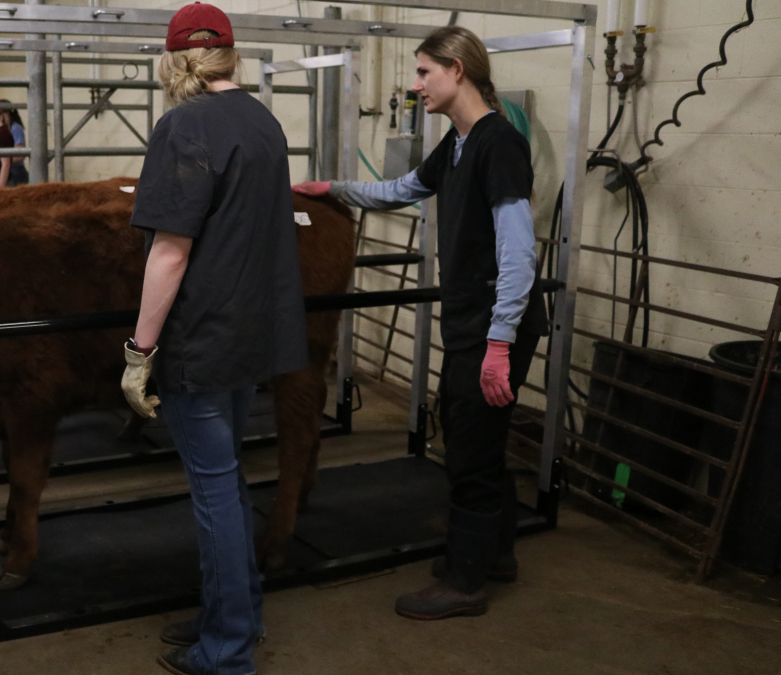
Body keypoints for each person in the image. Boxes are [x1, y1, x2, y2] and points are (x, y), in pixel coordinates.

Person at [295, 25, 548, 620]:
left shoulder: (497, 143)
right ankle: (497, 552)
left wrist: (498, 343)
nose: (416, 86)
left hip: (494, 323)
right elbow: (404, 189)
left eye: (423, 73)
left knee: (469, 449)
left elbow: (519, 251)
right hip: (475, 320)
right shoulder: (458, 143)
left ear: (457, 69)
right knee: (474, 433)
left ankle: (465, 582)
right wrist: (336, 189)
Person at [120, 3, 306, 674]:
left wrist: (140, 351)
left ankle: (226, 651)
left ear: (172, 61)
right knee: (226, 483)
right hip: (252, 330)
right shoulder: (264, 121)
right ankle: (232, 615)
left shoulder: (182, 125)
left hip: (201, 337)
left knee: (215, 490)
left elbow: (170, 251)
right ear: (231, 56)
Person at [0, 101, 30, 187]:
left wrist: (1, 162)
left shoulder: (15, 128)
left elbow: (19, 155)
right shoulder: (6, 129)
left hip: (16, 171)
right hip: (11, 170)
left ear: (5, 114)